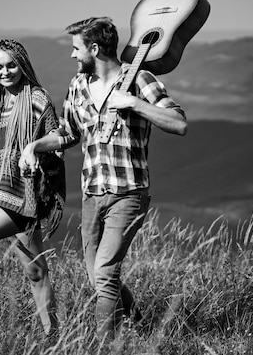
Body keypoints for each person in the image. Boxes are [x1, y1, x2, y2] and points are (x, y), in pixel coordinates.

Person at [19, 17, 187, 342]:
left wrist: (135, 104)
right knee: (97, 277)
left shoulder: (140, 80)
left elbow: (179, 122)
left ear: (94, 49)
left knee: (106, 272)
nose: (72, 55)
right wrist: (36, 146)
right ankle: (141, 326)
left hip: (128, 193)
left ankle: (105, 347)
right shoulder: (78, 85)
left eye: (76, 48)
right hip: (91, 194)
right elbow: (68, 133)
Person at [0, 39, 65, 337]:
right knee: (35, 271)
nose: (5, 72)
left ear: (23, 65)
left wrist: (35, 153)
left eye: (11, 65)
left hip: (26, 195)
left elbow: (58, 138)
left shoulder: (37, 98)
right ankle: (54, 337)